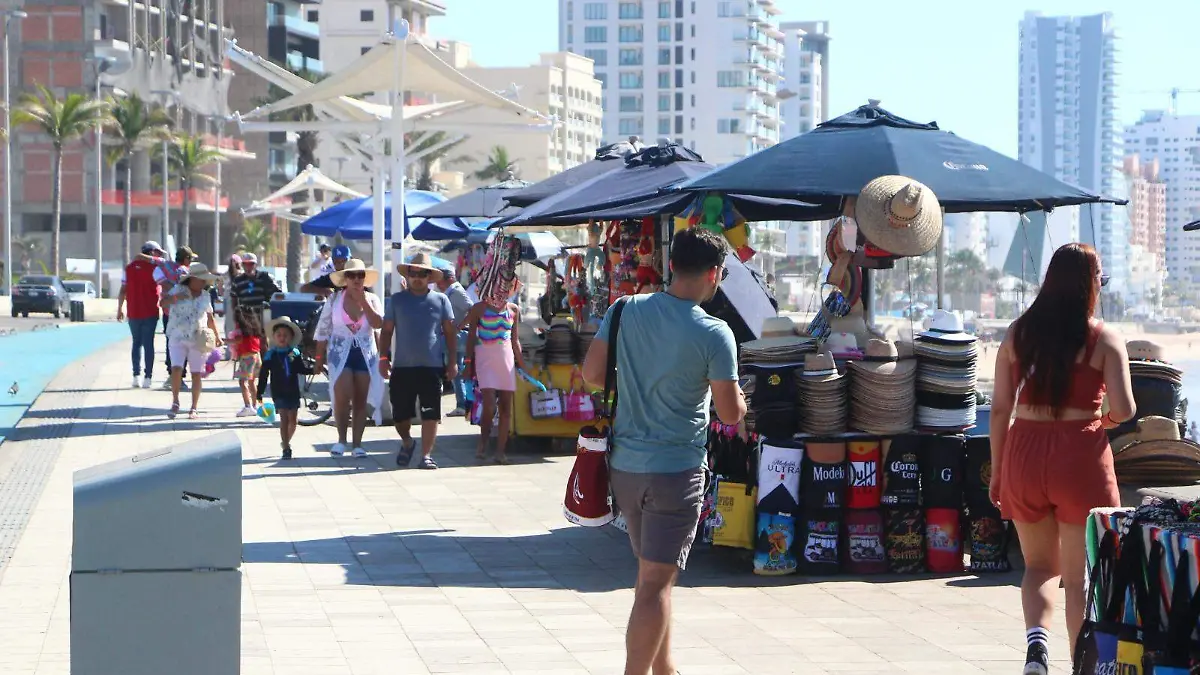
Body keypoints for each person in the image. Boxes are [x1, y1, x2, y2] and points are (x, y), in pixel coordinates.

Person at [580, 228, 744, 675]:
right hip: (676, 470)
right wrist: (742, 400)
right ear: (715, 273)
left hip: (625, 467)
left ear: (672, 265)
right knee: (655, 583)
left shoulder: (624, 309)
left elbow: (592, 375)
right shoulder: (714, 333)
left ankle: (664, 668)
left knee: (651, 578)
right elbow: (729, 415)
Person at [989, 243, 1135, 675]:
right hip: (1079, 453)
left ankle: (1037, 647)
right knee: (1078, 577)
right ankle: (1078, 665)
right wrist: (1102, 418)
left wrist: (998, 470)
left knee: (1037, 566)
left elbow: (999, 409)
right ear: (1089, 284)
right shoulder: (1104, 337)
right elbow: (1126, 409)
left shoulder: (1018, 333)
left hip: (1025, 451)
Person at [379, 253, 457, 470]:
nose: (417, 278)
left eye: (422, 273)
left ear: (429, 276)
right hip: (402, 367)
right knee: (400, 416)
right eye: (413, 273)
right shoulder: (397, 300)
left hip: (431, 367)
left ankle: (426, 456)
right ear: (409, 275)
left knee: (430, 413)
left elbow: (450, 333)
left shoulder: (441, 300)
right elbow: (386, 332)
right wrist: (383, 358)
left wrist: (452, 362)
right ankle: (408, 442)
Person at [313, 258, 385, 457]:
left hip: (365, 353)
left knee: (360, 400)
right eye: (351, 275)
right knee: (343, 397)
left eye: (360, 275)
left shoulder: (372, 300)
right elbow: (323, 330)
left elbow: (379, 324)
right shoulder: (334, 299)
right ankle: (341, 440)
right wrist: (319, 358)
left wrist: (364, 301)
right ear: (345, 279)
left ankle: (357, 444)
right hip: (339, 352)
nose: (356, 279)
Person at [463, 281, 526, 464]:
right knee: (489, 404)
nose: (504, 291)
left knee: (506, 407)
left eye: (508, 288)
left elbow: (515, 341)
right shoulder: (479, 309)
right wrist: (468, 363)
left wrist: (522, 363)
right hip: (485, 357)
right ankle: (483, 443)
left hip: (506, 359)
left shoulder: (513, 309)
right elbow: (471, 337)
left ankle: (500, 452)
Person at [160, 262, 223, 420]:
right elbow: (162, 303)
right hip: (177, 335)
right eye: (200, 279)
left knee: (196, 373)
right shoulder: (178, 290)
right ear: (191, 279)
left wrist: (217, 336)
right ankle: (175, 401)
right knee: (176, 369)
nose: (203, 283)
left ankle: (194, 407)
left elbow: (209, 317)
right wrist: (174, 298)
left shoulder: (205, 295)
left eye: (204, 280)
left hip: (198, 337)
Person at [258, 318, 311, 460]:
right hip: (278, 390)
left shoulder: (294, 353)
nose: (282, 338)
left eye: (285, 335)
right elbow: (264, 374)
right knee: (283, 419)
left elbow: (300, 369)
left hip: (293, 390)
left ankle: (285, 441)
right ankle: (286, 447)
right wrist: (260, 391)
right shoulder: (271, 354)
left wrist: (313, 370)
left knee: (293, 420)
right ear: (274, 337)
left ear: (291, 337)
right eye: (279, 335)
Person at [116, 240, 166, 388]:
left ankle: (136, 376)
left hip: (133, 311)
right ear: (151, 252)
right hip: (150, 311)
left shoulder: (129, 268)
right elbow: (165, 284)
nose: (158, 256)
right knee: (148, 344)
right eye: (156, 252)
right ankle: (148, 377)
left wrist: (120, 308)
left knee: (136, 343)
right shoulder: (155, 269)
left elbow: (122, 290)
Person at [155, 246, 195, 388]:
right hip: (183, 314)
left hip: (168, 312)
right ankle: (179, 376)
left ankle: (172, 375)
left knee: (170, 343)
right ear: (186, 259)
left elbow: (155, 266)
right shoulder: (185, 272)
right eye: (190, 259)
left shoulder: (164, 266)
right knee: (183, 344)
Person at [437, 268, 474, 416]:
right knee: (455, 369)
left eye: (440, 281)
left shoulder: (457, 291)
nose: (438, 284)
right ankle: (463, 403)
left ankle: (462, 404)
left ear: (449, 279)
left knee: (455, 369)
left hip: (457, 336)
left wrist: (461, 325)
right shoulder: (451, 292)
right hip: (452, 335)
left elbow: (472, 308)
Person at [231, 252, 280, 351]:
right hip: (246, 317)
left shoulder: (265, 277)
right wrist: (236, 317)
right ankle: (251, 365)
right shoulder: (238, 280)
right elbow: (234, 299)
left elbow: (277, 294)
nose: (248, 267)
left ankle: (265, 365)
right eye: (245, 264)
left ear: (256, 265)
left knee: (263, 344)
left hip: (263, 315)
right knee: (249, 345)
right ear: (242, 265)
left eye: (251, 264)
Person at [230, 307, 263, 417]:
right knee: (252, 382)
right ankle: (254, 405)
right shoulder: (254, 327)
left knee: (242, 382)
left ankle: (248, 406)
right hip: (256, 356)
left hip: (247, 357)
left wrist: (224, 341)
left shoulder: (242, 328)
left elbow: (238, 340)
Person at [222, 254, 243, 342]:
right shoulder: (242, 275)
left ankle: (229, 349)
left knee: (229, 324)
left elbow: (220, 289)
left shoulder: (225, 275)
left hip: (227, 300)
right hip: (239, 300)